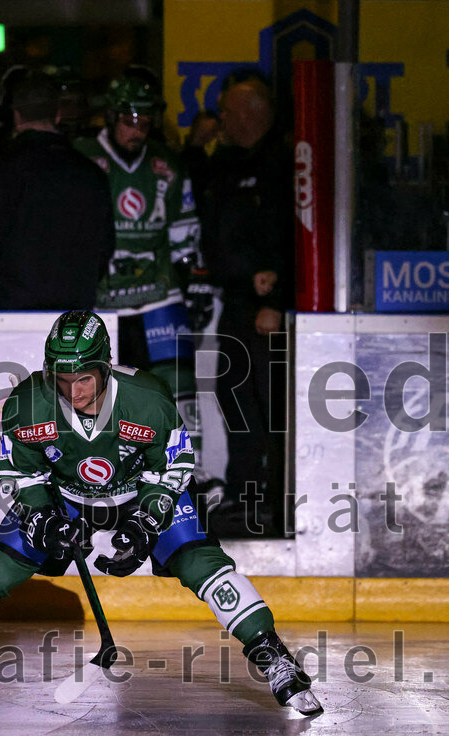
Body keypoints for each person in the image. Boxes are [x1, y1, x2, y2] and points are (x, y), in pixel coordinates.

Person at [0, 311, 321, 716]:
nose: (73, 391)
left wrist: (145, 521)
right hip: (65, 495)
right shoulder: (27, 403)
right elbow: (22, 477)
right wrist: (44, 519)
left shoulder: (148, 398)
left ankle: (273, 656)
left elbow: (176, 465)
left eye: (84, 378)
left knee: (201, 561)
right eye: (61, 379)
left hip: (139, 490)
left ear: (105, 367)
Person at [74, 74, 214, 494]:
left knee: (179, 388)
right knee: (103, 396)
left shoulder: (166, 164)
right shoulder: (82, 157)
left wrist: (196, 280)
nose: (139, 129)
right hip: (104, 300)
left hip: (159, 294)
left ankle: (189, 477)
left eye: (146, 120)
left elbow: (184, 232)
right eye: (131, 119)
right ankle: (107, 478)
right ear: (113, 115)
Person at [189, 78, 294, 537]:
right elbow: (198, 195)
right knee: (236, 406)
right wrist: (194, 149)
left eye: (227, 111)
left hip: (264, 308)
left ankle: (274, 500)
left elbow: (296, 236)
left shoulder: (283, 161)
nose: (221, 119)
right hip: (232, 300)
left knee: (271, 412)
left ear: (252, 112)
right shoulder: (227, 162)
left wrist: (276, 299)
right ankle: (245, 498)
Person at [0, 70, 115, 310]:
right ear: (57, 115)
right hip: (74, 312)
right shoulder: (91, 174)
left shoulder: (3, 168)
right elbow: (104, 247)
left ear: (16, 116)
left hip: (12, 310)